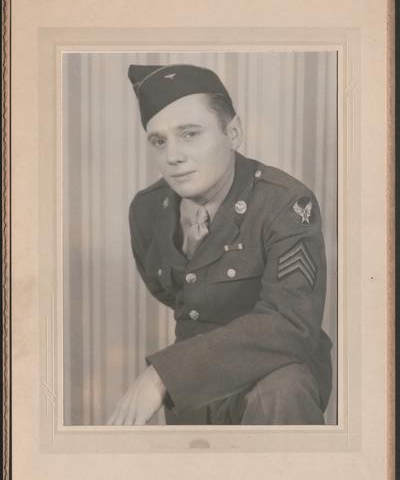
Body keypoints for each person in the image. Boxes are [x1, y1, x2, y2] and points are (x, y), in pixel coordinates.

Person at [108, 63, 332, 426]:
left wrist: (163, 374)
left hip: (272, 386)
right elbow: (176, 293)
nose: (173, 156)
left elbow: (291, 325)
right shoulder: (148, 210)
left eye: (190, 134)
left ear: (234, 133)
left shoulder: (285, 203)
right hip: (196, 395)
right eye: (159, 141)